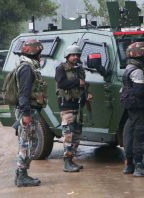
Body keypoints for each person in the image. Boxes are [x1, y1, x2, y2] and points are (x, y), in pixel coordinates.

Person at [14, 39, 47, 187]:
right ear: (34, 52)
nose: (40, 55)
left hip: (31, 111)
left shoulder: (28, 66)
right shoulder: (27, 69)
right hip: (29, 111)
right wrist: (26, 114)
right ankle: (22, 176)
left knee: (27, 142)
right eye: (39, 52)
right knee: (27, 144)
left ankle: (20, 174)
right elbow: (24, 94)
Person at [55, 44, 93, 172]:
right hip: (66, 106)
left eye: (77, 55)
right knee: (68, 135)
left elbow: (83, 87)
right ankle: (66, 162)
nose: (75, 57)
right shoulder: (61, 68)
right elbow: (61, 83)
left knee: (76, 135)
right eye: (73, 55)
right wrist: (78, 82)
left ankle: (71, 160)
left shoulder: (79, 69)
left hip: (78, 106)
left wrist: (86, 94)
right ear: (67, 56)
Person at [120, 42, 144, 177]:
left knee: (130, 135)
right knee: (139, 136)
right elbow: (139, 92)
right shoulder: (137, 71)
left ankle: (129, 165)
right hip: (139, 107)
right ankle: (139, 167)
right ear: (138, 54)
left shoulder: (129, 67)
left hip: (131, 107)